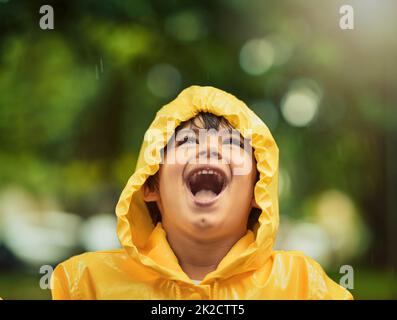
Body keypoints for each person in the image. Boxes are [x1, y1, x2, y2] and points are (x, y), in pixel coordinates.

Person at [51, 85, 353, 299]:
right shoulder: (86, 284)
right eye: (186, 142)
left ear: (256, 192)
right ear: (150, 185)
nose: (209, 148)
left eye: (233, 143)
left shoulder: (303, 287)